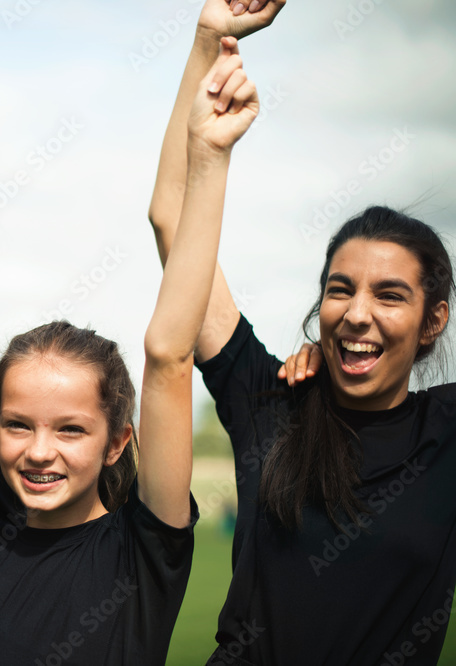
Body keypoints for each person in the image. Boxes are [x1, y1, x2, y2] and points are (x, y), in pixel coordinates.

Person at [0, 35, 260, 665]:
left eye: (71, 430)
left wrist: (209, 152)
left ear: (117, 442)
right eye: (17, 424)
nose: (39, 451)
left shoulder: (142, 548)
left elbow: (169, 355)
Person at [151, 3, 456, 665]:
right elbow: (173, 218)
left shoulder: (447, 433)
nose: (356, 312)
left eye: (390, 295)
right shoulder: (270, 403)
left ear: (435, 318)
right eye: (340, 289)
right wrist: (210, 41)